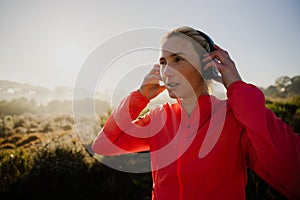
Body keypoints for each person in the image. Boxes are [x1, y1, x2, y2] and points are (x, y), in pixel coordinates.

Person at [92, 26, 300, 200]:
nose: (167, 70)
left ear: (206, 66)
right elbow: (103, 145)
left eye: (178, 59)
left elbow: (293, 177)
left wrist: (237, 87)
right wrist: (140, 97)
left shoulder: (235, 119)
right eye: (163, 62)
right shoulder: (159, 118)